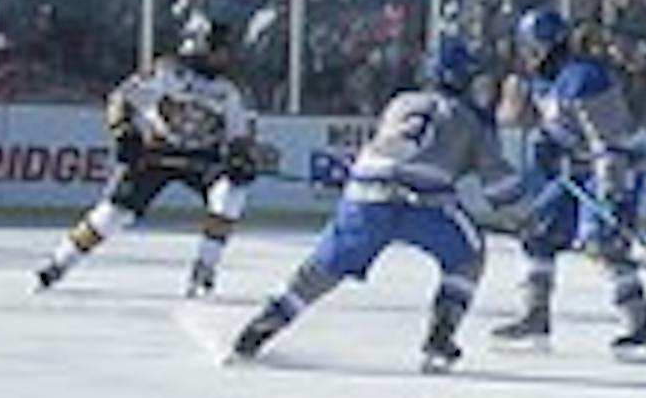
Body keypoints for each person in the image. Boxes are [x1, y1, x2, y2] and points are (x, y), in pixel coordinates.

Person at [229, 37, 511, 371]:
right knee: (468, 255)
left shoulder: (401, 102)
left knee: (323, 267)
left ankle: (263, 326)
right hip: (424, 203)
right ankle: (440, 335)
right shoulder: (470, 119)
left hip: (365, 195)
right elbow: (499, 186)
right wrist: (525, 219)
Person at [34, 19, 258, 296]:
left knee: (231, 195)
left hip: (203, 157)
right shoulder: (165, 71)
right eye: (221, 49)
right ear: (201, 46)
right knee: (115, 214)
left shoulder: (231, 89)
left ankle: (204, 270)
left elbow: (240, 135)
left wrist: (241, 159)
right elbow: (121, 99)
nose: (227, 56)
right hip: (155, 150)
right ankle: (59, 263)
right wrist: (124, 133)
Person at [488, 7, 646, 360]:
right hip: (579, 169)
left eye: (531, 47)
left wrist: (612, 193)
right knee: (538, 233)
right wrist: (547, 144)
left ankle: (640, 330)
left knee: (604, 245)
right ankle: (535, 316)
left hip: (616, 167)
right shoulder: (544, 81)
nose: (526, 55)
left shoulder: (585, 78)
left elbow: (608, 141)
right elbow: (559, 127)